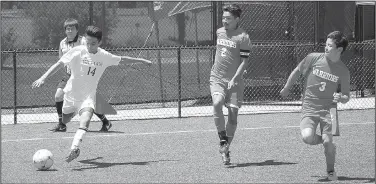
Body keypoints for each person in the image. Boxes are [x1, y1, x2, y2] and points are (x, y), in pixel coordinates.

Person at [32, 26, 152, 162]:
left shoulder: (104, 56)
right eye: (87, 42)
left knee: (85, 121)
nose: (89, 46)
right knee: (65, 120)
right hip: (71, 95)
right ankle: (71, 116)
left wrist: (141, 61)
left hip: (87, 98)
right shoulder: (77, 51)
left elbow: (122, 59)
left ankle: (74, 148)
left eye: (93, 43)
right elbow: (59, 64)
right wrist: (43, 78)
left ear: (99, 42)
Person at [280, 31, 350, 181]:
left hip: (330, 109)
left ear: (339, 50)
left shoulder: (344, 71)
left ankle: (330, 170)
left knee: (328, 142)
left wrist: (341, 97)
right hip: (309, 106)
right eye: (326, 44)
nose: (326, 47)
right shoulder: (313, 58)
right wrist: (287, 88)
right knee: (307, 137)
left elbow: (346, 96)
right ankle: (328, 145)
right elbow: (297, 72)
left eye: (330, 45)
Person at [51, 18, 114, 132]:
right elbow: (61, 59)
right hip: (69, 74)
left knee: (87, 101)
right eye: (67, 29)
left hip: (84, 76)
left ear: (77, 30)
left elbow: (94, 52)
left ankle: (105, 121)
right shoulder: (62, 43)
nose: (69, 31)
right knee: (58, 95)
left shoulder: (85, 41)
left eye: (72, 29)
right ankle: (62, 124)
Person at [210, 4, 251, 165]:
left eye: (228, 18)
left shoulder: (243, 37)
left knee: (233, 117)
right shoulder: (219, 32)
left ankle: (226, 148)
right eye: (223, 18)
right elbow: (220, 53)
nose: (224, 21)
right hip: (217, 78)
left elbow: (244, 62)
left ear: (236, 19)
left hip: (235, 82)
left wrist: (235, 78)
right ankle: (222, 139)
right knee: (217, 103)